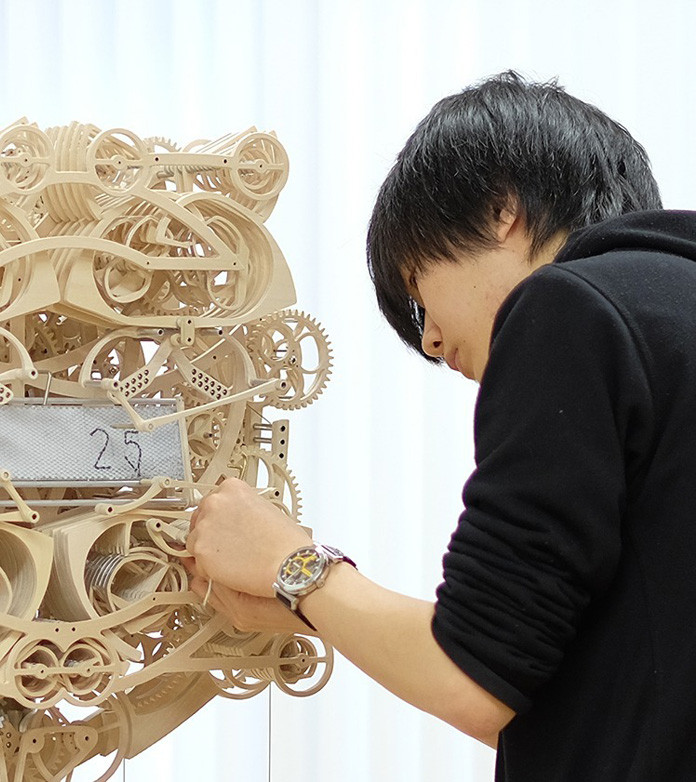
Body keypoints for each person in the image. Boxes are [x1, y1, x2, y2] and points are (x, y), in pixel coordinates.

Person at [185, 71, 696, 780]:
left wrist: (292, 563)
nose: (429, 343)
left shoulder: (569, 309)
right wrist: (317, 608)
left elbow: (474, 681)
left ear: (499, 210)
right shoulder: (669, 317)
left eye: (418, 291)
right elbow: (603, 717)